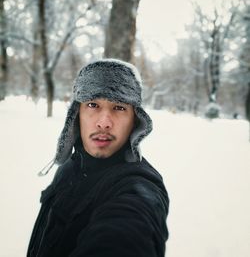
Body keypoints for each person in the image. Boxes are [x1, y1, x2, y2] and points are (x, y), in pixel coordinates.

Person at [27, 58, 169, 257]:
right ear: (77, 114)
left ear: (135, 121)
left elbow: (129, 229)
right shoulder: (69, 167)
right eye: (93, 104)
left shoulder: (138, 186)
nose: (104, 123)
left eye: (119, 107)